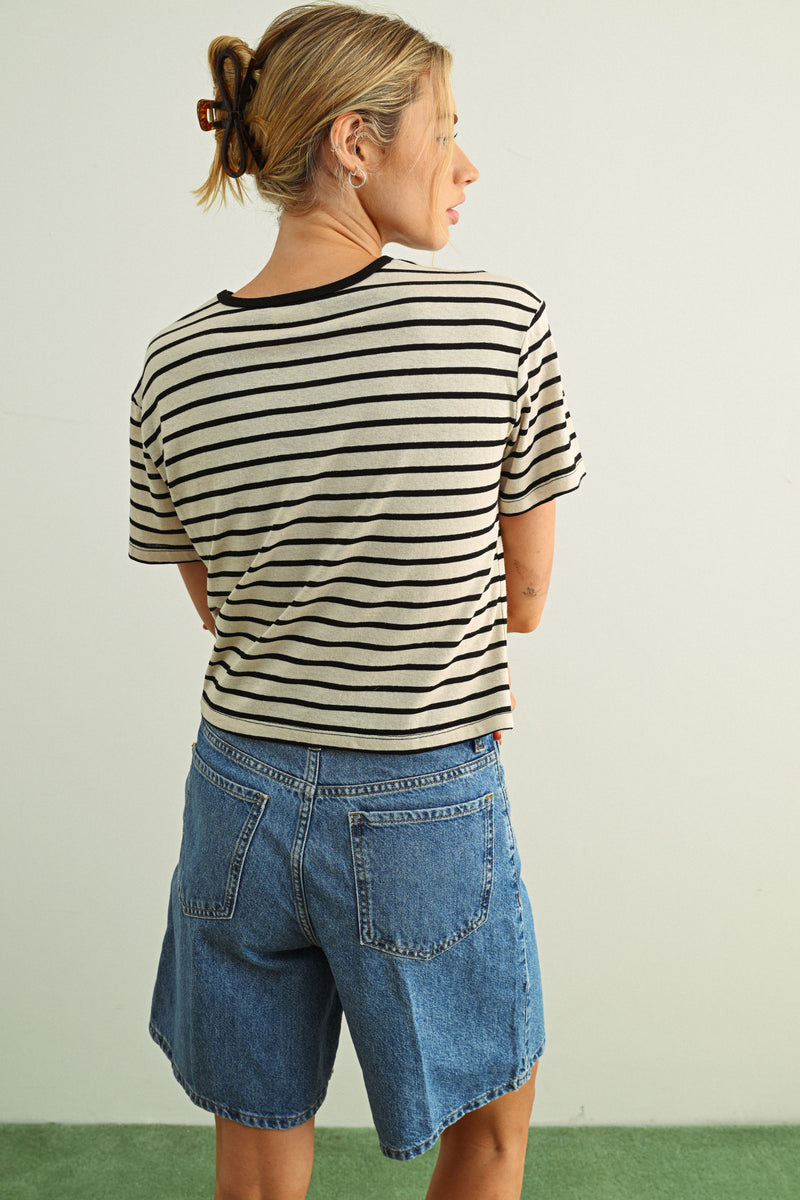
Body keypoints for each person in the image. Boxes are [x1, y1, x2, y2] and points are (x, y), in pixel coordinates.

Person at [128, 5, 586, 1198]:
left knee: (255, 1158)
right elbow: (525, 597)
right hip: (419, 795)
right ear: (352, 142)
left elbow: (221, 605)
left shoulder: (173, 363)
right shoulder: (495, 323)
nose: (465, 165)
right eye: (446, 129)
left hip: (235, 796)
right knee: (485, 1132)